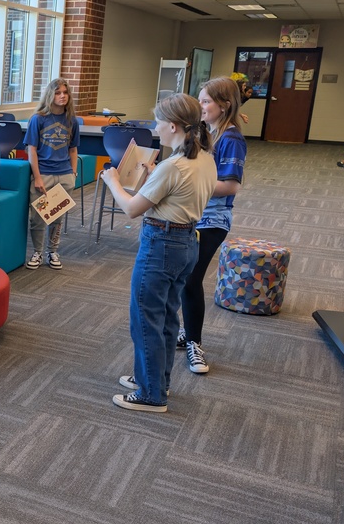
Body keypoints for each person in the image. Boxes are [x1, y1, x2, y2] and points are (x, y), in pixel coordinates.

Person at [101, 93, 217, 413]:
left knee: (145, 319)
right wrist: (155, 176)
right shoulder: (205, 158)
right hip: (186, 243)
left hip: (161, 245)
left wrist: (113, 181)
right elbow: (179, 193)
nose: (155, 128)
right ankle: (155, 380)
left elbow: (131, 209)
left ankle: (152, 394)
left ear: (174, 125)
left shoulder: (173, 166)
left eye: (158, 122)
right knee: (165, 318)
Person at [178, 76, 248, 375]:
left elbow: (230, 186)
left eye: (206, 101)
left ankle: (194, 343)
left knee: (191, 279)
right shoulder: (210, 131)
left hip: (213, 220)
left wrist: (190, 183)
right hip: (196, 214)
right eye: (200, 100)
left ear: (225, 105)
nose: (201, 105)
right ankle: (188, 332)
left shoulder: (231, 139)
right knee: (184, 277)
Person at [23, 78, 79, 270]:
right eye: (58, 93)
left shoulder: (72, 120)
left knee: (57, 217)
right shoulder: (38, 119)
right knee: (38, 217)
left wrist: (73, 173)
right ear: (50, 95)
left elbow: (73, 149)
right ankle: (37, 252)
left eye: (65, 92)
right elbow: (31, 150)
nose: (62, 96)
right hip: (44, 174)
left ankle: (52, 251)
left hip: (64, 175)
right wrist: (37, 177)